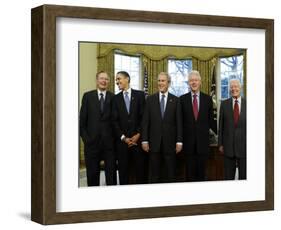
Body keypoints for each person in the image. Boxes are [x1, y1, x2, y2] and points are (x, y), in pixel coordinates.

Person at [141, 72, 183, 183]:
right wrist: (144, 140)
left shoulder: (176, 100)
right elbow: (145, 122)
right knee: (154, 174)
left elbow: (179, 122)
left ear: (168, 83)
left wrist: (179, 141)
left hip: (170, 143)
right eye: (159, 81)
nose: (160, 83)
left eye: (163, 81)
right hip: (154, 143)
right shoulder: (150, 99)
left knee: (170, 173)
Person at [80, 71, 116, 186]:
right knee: (92, 175)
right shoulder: (87, 96)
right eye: (101, 78)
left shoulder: (114, 98)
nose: (103, 81)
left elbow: (116, 121)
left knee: (111, 176)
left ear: (109, 82)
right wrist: (87, 140)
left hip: (109, 144)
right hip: (92, 144)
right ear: (96, 80)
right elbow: (82, 122)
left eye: (106, 79)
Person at [180, 70, 217, 182]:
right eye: (191, 80)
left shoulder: (208, 99)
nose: (194, 82)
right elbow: (180, 122)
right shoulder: (182, 99)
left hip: (203, 145)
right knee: (189, 176)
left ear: (200, 82)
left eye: (196, 80)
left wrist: (219, 136)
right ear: (188, 83)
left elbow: (212, 121)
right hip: (188, 145)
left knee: (202, 175)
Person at [112, 71, 147, 185]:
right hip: (122, 144)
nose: (117, 82)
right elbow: (114, 121)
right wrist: (124, 138)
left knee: (140, 173)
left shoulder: (140, 95)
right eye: (116, 80)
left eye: (119, 79)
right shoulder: (115, 99)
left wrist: (138, 134)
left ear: (127, 79)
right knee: (123, 174)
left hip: (138, 142)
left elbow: (144, 118)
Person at [218, 79, 246, 180]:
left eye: (236, 86)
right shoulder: (224, 104)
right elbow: (221, 125)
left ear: (241, 87)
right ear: (229, 89)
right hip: (228, 147)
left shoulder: (248, 104)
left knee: (244, 177)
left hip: (244, 147)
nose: (234, 89)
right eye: (232, 87)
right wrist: (220, 143)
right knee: (228, 177)